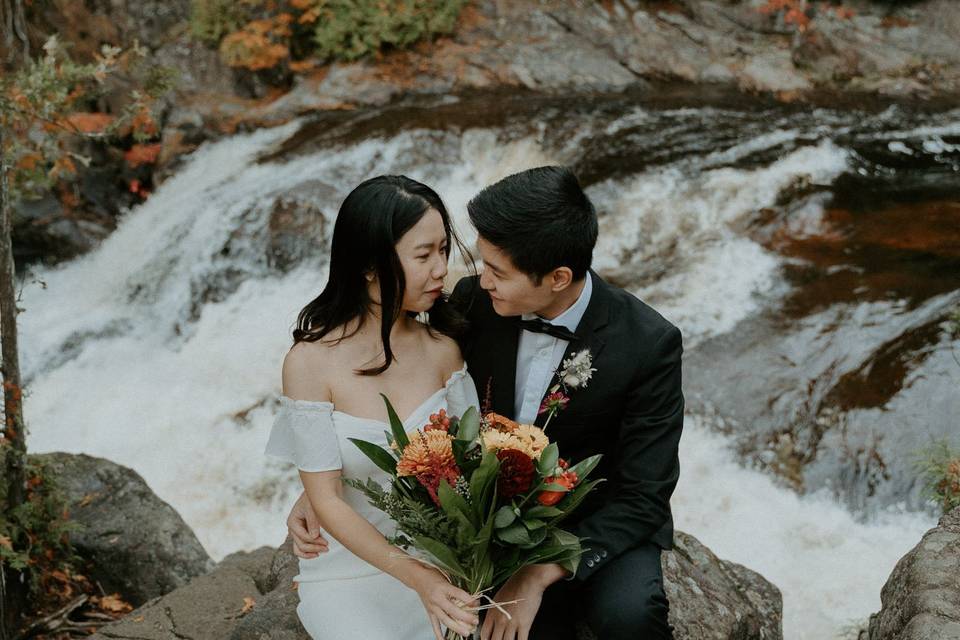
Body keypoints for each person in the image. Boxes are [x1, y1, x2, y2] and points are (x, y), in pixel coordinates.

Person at [286, 166, 684, 640]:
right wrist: (323, 484)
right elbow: (382, 387)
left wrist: (537, 573)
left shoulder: (648, 342)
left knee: (630, 616)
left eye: (496, 270)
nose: (476, 278)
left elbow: (644, 495)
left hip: (598, 520)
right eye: (479, 261)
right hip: (487, 529)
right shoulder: (475, 304)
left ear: (557, 278)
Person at [265, 175, 480, 640]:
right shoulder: (309, 363)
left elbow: (475, 469)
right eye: (423, 256)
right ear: (367, 265)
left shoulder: (445, 351)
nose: (441, 268)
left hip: (446, 564)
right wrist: (419, 580)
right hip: (350, 572)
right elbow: (326, 499)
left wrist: (446, 573)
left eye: (443, 250)